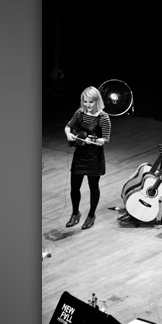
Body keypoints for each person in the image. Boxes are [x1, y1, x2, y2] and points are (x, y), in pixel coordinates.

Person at [64, 86, 112, 229]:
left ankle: (91, 215)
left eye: (90, 102)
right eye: (85, 102)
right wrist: (69, 134)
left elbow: (106, 139)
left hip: (94, 157)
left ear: (97, 101)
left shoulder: (103, 117)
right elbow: (68, 127)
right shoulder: (79, 113)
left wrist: (97, 141)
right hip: (80, 155)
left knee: (93, 187)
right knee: (74, 187)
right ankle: (75, 213)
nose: (87, 105)